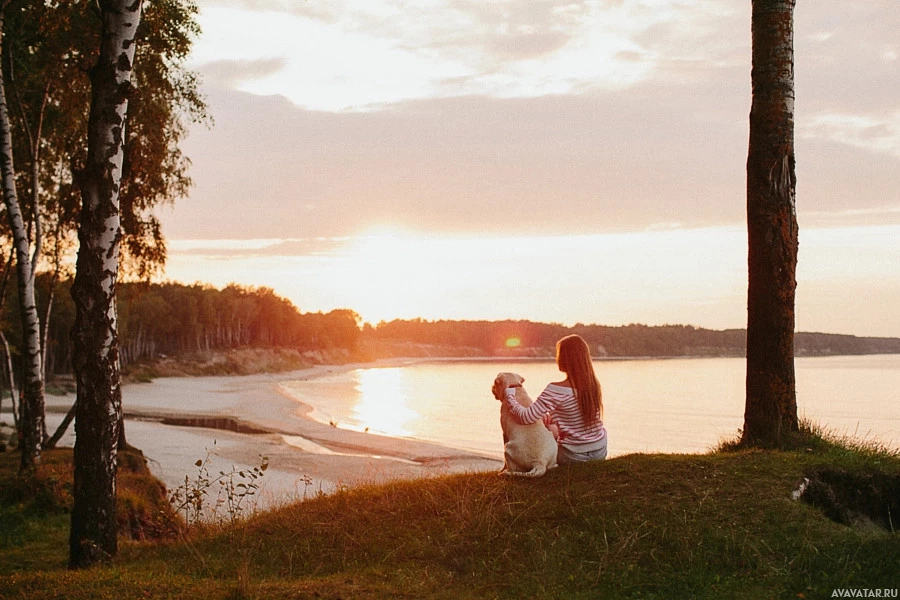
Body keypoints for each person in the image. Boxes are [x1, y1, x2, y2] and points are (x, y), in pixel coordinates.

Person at [503, 334, 607, 463]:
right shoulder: (593, 385)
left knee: (545, 427)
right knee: (549, 423)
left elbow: (525, 417)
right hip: (600, 451)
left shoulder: (555, 390)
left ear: (563, 359)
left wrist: (509, 395)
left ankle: (518, 461)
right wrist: (550, 417)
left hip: (573, 455)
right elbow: (577, 413)